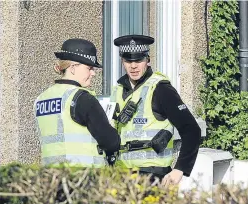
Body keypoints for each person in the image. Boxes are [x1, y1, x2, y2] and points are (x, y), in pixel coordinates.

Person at [111, 34, 201, 185]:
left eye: (139, 60)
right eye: (128, 61)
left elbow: (191, 130)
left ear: (148, 60)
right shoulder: (118, 91)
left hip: (153, 177)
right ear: (122, 61)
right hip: (122, 176)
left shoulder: (160, 89)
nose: (133, 66)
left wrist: (179, 170)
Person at [34, 38, 120, 167]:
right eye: (89, 68)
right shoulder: (82, 98)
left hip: (51, 178)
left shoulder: (41, 99)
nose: (93, 73)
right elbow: (111, 142)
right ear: (73, 67)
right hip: (83, 177)